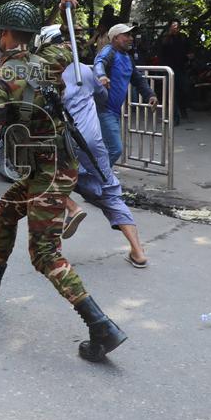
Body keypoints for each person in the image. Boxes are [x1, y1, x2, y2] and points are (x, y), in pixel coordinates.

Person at [0, 0, 127, 363]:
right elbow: (71, 42)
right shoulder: (53, 60)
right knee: (6, 210)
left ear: (3, 35)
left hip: (47, 173)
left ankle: (101, 327)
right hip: (52, 166)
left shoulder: (1, 78)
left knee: (45, 254)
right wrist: (70, 8)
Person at [37, 25, 149, 268]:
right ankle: (138, 251)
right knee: (110, 190)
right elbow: (103, 97)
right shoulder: (85, 72)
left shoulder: (42, 75)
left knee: (42, 176)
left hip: (65, 141)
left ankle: (72, 208)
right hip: (92, 141)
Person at [93, 23, 157, 166]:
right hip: (104, 109)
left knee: (105, 148)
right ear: (115, 38)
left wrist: (150, 95)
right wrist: (102, 76)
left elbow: (138, 79)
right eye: (126, 35)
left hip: (114, 111)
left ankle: (95, 176)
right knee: (115, 149)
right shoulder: (108, 51)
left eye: (131, 35)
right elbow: (99, 63)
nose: (131, 38)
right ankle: (97, 177)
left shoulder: (127, 58)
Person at [159, 19, 191, 125]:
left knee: (184, 89)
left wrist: (189, 56)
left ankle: (183, 109)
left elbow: (189, 50)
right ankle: (175, 117)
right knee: (172, 93)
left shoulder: (183, 37)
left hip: (181, 68)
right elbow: (160, 51)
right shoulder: (165, 39)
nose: (175, 28)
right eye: (173, 26)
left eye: (177, 26)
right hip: (169, 69)